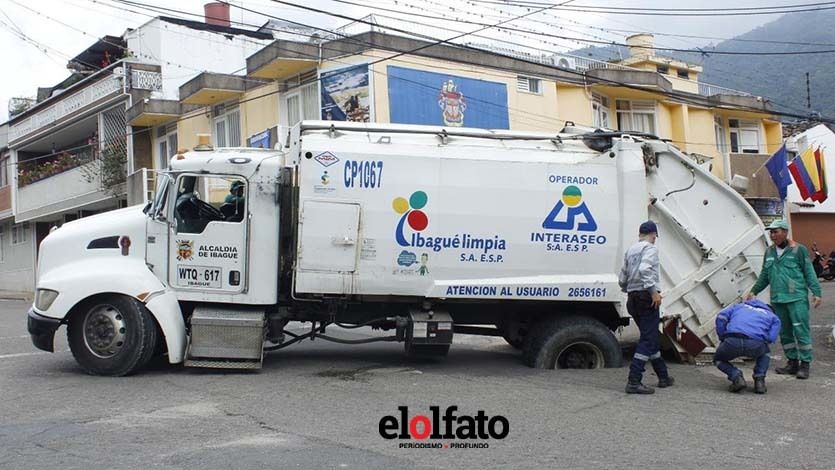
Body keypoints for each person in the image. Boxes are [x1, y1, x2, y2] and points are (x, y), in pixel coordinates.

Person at [746, 219, 822, 380]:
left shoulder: (798, 250)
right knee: (785, 333)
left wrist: (816, 292)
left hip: (796, 298)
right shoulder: (769, 252)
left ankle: (805, 364)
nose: (772, 235)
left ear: (785, 232)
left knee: (801, 330)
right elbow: (765, 275)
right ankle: (792, 362)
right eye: (771, 232)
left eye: (776, 231)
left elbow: (809, 272)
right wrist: (754, 291)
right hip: (778, 299)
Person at [618, 220, 673, 394]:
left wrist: (628, 289)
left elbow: (622, 277)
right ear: (653, 234)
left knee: (651, 337)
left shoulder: (631, 250)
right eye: (655, 236)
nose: (655, 239)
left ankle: (663, 376)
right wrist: (653, 292)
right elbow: (644, 269)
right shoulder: (650, 249)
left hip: (632, 298)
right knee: (648, 339)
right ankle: (634, 381)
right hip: (645, 297)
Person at [714, 299, 781, 394]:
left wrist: (722, 336)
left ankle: (736, 376)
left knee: (718, 359)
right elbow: (771, 338)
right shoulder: (773, 317)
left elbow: (721, 317)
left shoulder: (738, 306)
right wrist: (760, 337)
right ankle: (759, 381)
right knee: (765, 353)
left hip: (732, 340)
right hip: (755, 343)